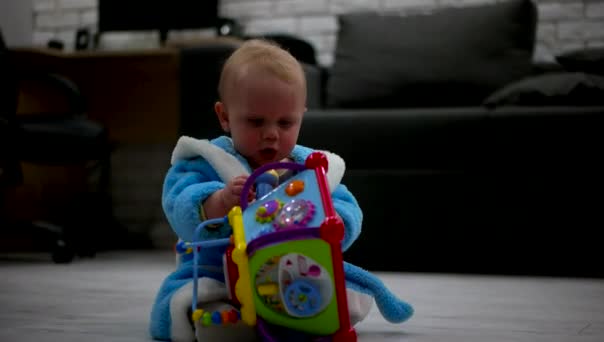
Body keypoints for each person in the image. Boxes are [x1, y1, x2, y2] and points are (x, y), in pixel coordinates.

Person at [149, 39, 412, 342]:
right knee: (191, 299)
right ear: (224, 116)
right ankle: (231, 321)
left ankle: (295, 315)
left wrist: (336, 222)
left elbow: (344, 206)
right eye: (256, 121)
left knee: (342, 292)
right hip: (220, 272)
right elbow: (179, 203)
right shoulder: (205, 161)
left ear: (301, 115)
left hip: (293, 271)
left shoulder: (312, 169)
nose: (271, 134)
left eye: (286, 122)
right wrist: (218, 201)